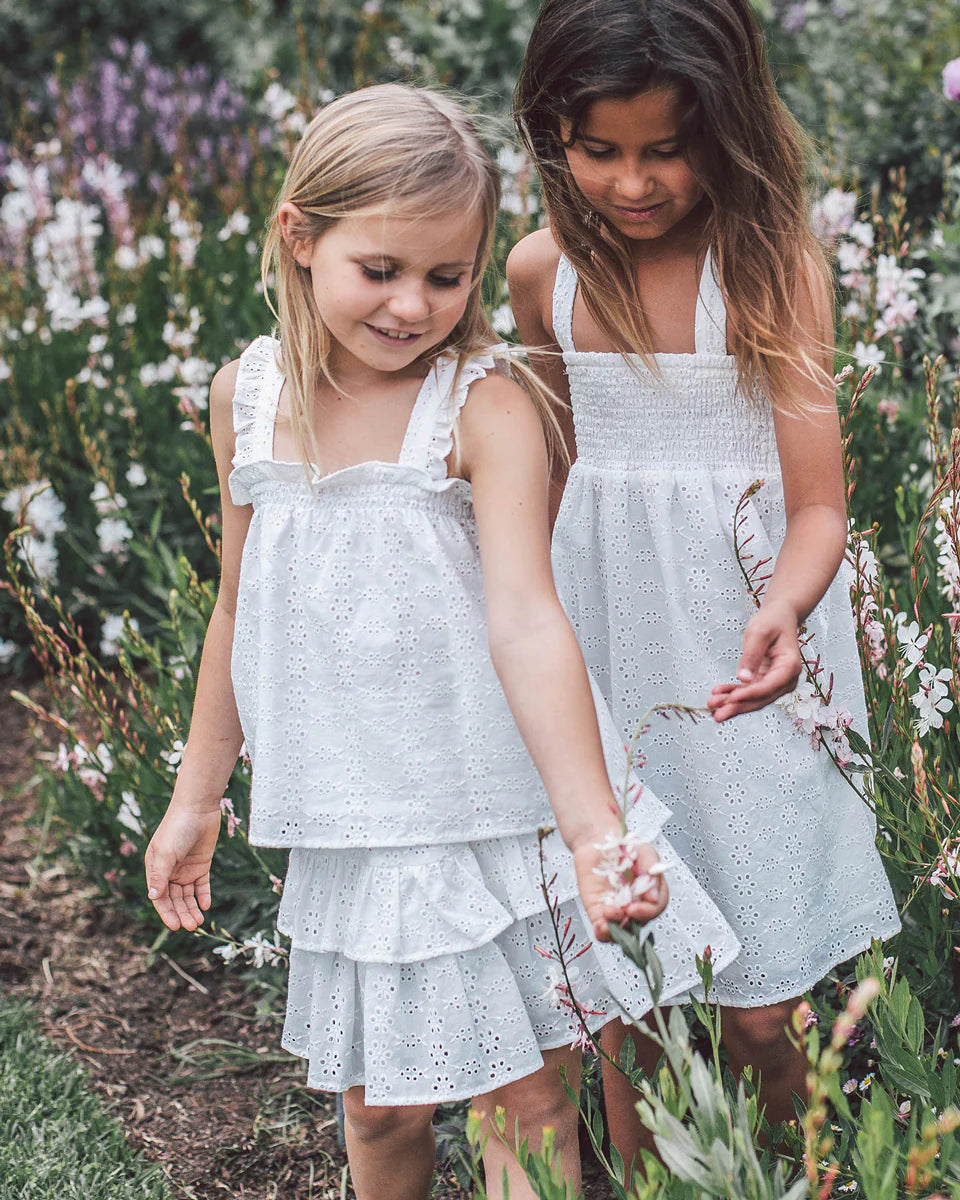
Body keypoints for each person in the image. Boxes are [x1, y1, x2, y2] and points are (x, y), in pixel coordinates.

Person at [143, 84, 738, 1200]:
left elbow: (525, 617)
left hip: (495, 808)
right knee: (378, 1110)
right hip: (360, 818)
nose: (413, 305)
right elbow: (240, 606)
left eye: (447, 276)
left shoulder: (485, 405)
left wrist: (592, 832)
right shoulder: (247, 395)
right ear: (301, 237)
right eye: (381, 269)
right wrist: (195, 796)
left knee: (527, 1100)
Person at [508, 0, 901, 1176]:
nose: (632, 182)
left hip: (745, 650)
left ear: (725, 130)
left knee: (760, 1009)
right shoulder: (545, 276)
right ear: (553, 133)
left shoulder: (768, 267)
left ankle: (786, 1172)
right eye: (601, 149)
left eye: (665, 148)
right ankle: (643, 1178)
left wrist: (783, 607)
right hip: (608, 646)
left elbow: (818, 501)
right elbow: (548, 466)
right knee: (630, 983)